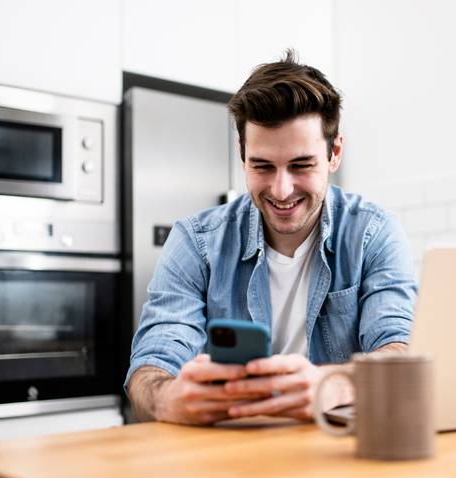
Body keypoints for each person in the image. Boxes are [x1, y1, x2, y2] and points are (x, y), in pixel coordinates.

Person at [126, 50, 417, 425]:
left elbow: (400, 352)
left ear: (334, 153)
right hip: (227, 458)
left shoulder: (373, 234)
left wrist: (335, 384)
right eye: (262, 166)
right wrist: (168, 399)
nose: (281, 191)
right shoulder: (195, 243)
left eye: (301, 165)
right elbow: (150, 369)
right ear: (242, 155)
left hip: (336, 458)